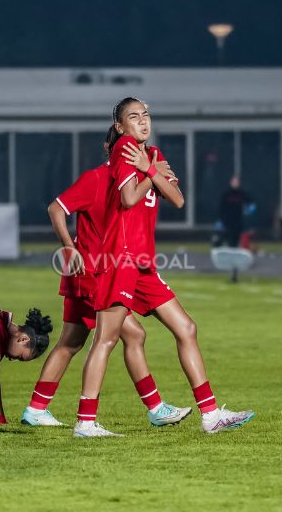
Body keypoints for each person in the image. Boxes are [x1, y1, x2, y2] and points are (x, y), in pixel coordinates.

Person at [74, 97, 255, 437]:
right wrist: (149, 172)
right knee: (106, 340)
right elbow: (128, 198)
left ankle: (211, 414)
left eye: (145, 115)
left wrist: (152, 169)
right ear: (119, 126)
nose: (142, 121)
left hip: (142, 263)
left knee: (186, 328)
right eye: (133, 116)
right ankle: (85, 422)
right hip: (121, 258)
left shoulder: (151, 152)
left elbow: (178, 198)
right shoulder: (126, 149)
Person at [20, 129, 191, 428]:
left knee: (71, 342)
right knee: (128, 336)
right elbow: (55, 208)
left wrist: (151, 174)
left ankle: (36, 408)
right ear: (111, 148)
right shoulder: (98, 178)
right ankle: (148, 409)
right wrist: (69, 248)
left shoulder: (127, 182)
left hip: (93, 273)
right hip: (94, 274)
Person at [219, 175, 252, 247]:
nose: (235, 183)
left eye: (237, 182)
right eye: (234, 182)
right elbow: (222, 208)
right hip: (228, 220)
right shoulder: (226, 194)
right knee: (229, 238)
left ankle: (236, 250)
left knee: (237, 238)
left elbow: (250, 203)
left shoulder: (242, 194)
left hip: (239, 220)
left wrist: (249, 211)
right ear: (230, 183)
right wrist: (222, 219)